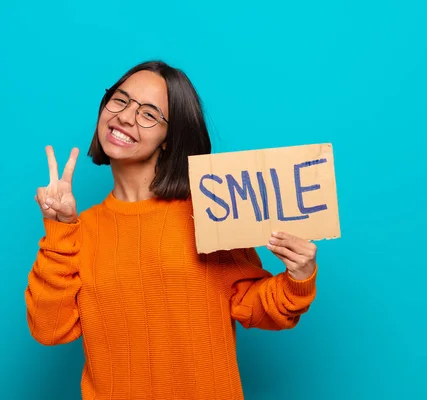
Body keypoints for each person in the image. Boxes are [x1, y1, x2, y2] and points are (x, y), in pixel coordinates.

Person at [25, 60, 318, 400]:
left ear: (169, 138)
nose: (124, 116)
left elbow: (254, 304)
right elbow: (49, 329)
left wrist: (299, 277)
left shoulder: (211, 213)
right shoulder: (78, 231)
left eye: (149, 114)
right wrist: (60, 229)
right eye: (119, 100)